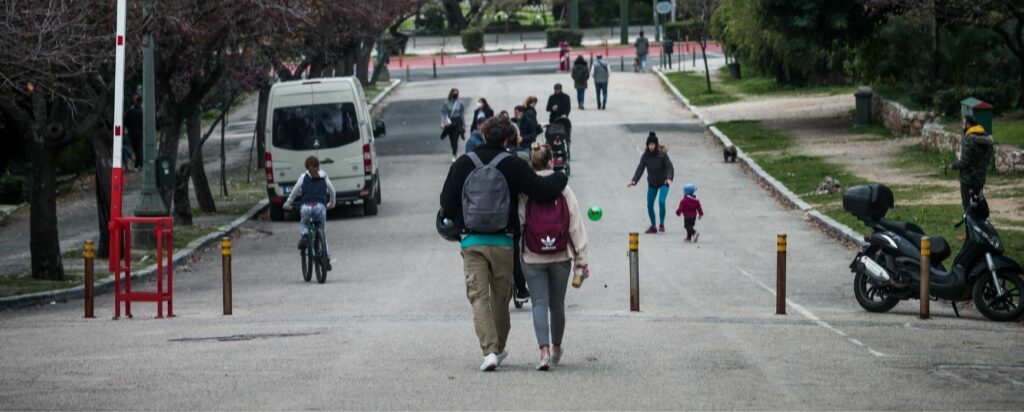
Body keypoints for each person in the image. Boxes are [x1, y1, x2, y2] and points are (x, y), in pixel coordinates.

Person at [439, 117, 568, 372]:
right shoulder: (512, 165)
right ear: (508, 139)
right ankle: (497, 347)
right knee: (501, 298)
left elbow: (446, 201)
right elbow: (541, 189)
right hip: (503, 241)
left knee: (478, 297)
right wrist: (560, 177)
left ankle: (489, 351)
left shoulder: (465, 163)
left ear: (483, 136)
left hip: (472, 240)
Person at [519, 142, 589, 371]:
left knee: (539, 303)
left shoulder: (525, 190)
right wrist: (581, 259)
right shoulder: (564, 189)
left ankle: (544, 352)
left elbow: (520, 222)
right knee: (557, 305)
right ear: (551, 162)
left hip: (532, 255)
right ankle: (557, 348)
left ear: (532, 163)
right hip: (560, 255)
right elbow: (575, 225)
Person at [283, 156, 337, 270]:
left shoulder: (303, 177)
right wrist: (332, 202)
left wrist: (288, 203)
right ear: (319, 166)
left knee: (304, 224)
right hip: (320, 207)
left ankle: (304, 236)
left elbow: (294, 191)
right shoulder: (324, 175)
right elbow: (332, 190)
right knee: (322, 230)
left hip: (306, 207)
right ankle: (326, 258)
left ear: (307, 167)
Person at [629, 132, 674, 234]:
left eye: (653, 144)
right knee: (649, 205)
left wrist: (669, 178)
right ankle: (653, 226)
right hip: (652, 183)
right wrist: (634, 180)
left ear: (656, 145)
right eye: (649, 144)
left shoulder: (662, 154)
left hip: (664, 182)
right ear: (647, 145)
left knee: (661, 202)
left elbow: (669, 167)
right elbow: (640, 169)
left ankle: (661, 224)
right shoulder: (645, 156)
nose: (651, 146)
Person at [950, 115, 994, 211]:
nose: (962, 126)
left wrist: (953, 165)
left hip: (968, 180)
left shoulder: (969, 139)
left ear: (968, 125)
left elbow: (964, 162)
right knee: (978, 205)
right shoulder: (986, 137)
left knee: (968, 208)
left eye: (964, 123)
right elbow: (989, 159)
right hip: (980, 178)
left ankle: (969, 225)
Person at [440, 88, 466, 163]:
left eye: (457, 94)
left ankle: (454, 154)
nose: (455, 95)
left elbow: (462, 114)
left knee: (455, 139)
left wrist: (464, 125)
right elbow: (443, 113)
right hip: (450, 122)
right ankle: (454, 151)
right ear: (451, 94)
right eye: (454, 93)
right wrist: (442, 123)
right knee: (451, 140)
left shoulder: (460, 103)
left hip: (458, 122)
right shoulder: (446, 103)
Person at [125, 93, 144, 169]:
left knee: (136, 149)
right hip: (140, 132)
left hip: (132, 133)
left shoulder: (130, 111)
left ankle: (138, 164)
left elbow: (126, 122)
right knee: (139, 148)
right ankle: (139, 164)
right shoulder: (142, 112)